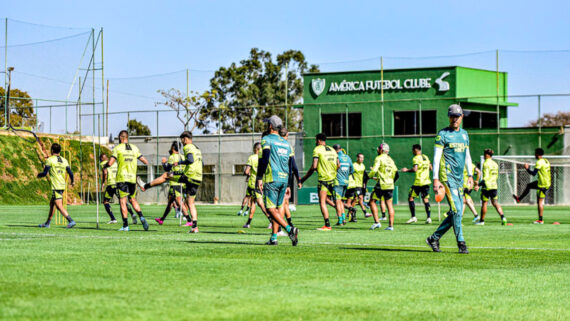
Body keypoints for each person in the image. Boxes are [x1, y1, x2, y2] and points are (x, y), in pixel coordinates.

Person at [426, 104, 473, 254]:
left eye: (457, 116)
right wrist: (435, 179)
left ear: (461, 117)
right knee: (457, 209)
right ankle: (461, 243)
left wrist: (470, 175)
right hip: (447, 177)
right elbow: (436, 157)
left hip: (460, 178)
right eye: (452, 116)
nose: (455, 119)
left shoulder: (464, 134)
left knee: (456, 212)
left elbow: (467, 156)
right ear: (449, 117)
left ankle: (434, 238)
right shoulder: (443, 134)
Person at [256, 115, 299, 246]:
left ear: (270, 126)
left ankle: (289, 229)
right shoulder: (286, 143)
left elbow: (265, 158)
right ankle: (274, 238)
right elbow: (291, 165)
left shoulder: (266, 139)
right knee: (278, 208)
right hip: (284, 179)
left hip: (272, 178)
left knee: (270, 209)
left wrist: (259, 177)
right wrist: (289, 183)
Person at [104, 130, 150, 231]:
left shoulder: (118, 148)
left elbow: (110, 163)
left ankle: (125, 226)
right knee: (133, 199)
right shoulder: (134, 148)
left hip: (122, 179)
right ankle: (141, 217)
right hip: (132, 179)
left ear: (121, 137)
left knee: (123, 202)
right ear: (127, 137)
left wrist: (105, 165)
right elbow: (145, 161)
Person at [300, 133, 340, 231]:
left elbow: (314, 166)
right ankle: (341, 219)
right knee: (337, 200)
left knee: (322, 202)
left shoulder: (317, 149)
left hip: (323, 180)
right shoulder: (332, 150)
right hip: (333, 179)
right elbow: (338, 165)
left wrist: (303, 179)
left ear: (318, 140)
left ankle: (327, 224)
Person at [37, 143, 76, 229]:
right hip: (62, 185)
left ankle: (71, 221)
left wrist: (38, 175)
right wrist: (72, 181)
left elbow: (44, 173)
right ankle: (47, 223)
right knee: (52, 204)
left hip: (56, 186)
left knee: (59, 205)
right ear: (59, 151)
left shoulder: (50, 160)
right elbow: (71, 173)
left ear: (52, 150)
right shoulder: (64, 160)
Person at [153, 141, 192, 226]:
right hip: (182, 182)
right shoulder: (183, 156)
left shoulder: (172, 157)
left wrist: (163, 163)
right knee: (170, 203)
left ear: (173, 148)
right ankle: (162, 219)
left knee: (178, 201)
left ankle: (189, 220)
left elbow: (167, 169)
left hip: (175, 183)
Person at [513, 148, 551, 224]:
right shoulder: (546, 161)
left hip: (542, 184)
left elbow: (533, 173)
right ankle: (519, 199)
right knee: (529, 185)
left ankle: (540, 220)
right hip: (547, 182)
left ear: (537, 154)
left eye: (535, 153)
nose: (534, 155)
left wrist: (527, 169)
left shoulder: (539, 162)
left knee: (540, 202)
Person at [100, 154, 138, 224]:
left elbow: (105, 173)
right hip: (119, 183)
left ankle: (113, 219)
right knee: (123, 201)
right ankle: (133, 214)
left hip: (111, 184)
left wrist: (103, 183)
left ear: (102, 158)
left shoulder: (103, 163)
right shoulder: (115, 163)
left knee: (106, 201)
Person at [368, 143, 398, 231]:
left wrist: (369, 176)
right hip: (390, 185)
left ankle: (377, 222)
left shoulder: (379, 158)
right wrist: (391, 181)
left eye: (378, 149)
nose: (377, 150)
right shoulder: (390, 160)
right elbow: (396, 173)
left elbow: (374, 170)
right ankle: (390, 226)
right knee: (389, 205)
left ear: (381, 150)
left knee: (372, 202)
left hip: (381, 184)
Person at [242, 142, 271, 228]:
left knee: (260, 203)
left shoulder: (252, 157)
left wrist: (247, 174)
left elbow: (247, 171)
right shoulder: (264, 157)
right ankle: (248, 223)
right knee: (253, 202)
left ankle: (272, 221)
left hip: (254, 183)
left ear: (255, 149)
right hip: (263, 181)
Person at [402, 144, 433, 224]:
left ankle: (413, 217)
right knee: (425, 199)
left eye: (413, 150)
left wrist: (407, 170)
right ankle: (429, 218)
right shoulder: (426, 157)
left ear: (415, 150)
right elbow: (430, 168)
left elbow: (415, 169)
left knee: (410, 198)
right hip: (426, 181)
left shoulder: (416, 158)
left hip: (419, 182)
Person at [476, 149, 507, 225]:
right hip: (494, 186)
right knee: (495, 203)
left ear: (487, 155)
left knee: (484, 203)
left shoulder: (486, 163)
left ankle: (482, 221)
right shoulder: (495, 164)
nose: (483, 155)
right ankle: (503, 217)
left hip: (487, 186)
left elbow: (486, 177)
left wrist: (478, 185)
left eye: (484, 154)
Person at [280, 127, 300, 228]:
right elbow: (293, 165)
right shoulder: (289, 147)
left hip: (276, 178)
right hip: (287, 178)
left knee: (280, 203)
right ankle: (289, 223)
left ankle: (280, 225)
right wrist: (298, 179)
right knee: (285, 202)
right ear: (287, 135)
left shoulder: (274, 145)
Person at [344, 153, 370, 222]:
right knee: (359, 198)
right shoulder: (354, 165)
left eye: (363, 158)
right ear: (357, 158)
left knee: (356, 199)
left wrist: (364, 183)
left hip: (360, 185)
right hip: (354, 184)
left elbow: (365, 175)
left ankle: (349, 212)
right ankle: (365, 213)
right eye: (360, 158)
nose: (362, 159)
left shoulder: (363, 166)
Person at [332, 144, 353, 226]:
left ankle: (340, 220)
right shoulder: (348, 157)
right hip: (346, 182)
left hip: (337, 182)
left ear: (335, 150)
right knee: (341, 201)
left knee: (337, 201)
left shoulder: (336, 157)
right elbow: (352, 169)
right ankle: (343, 219)